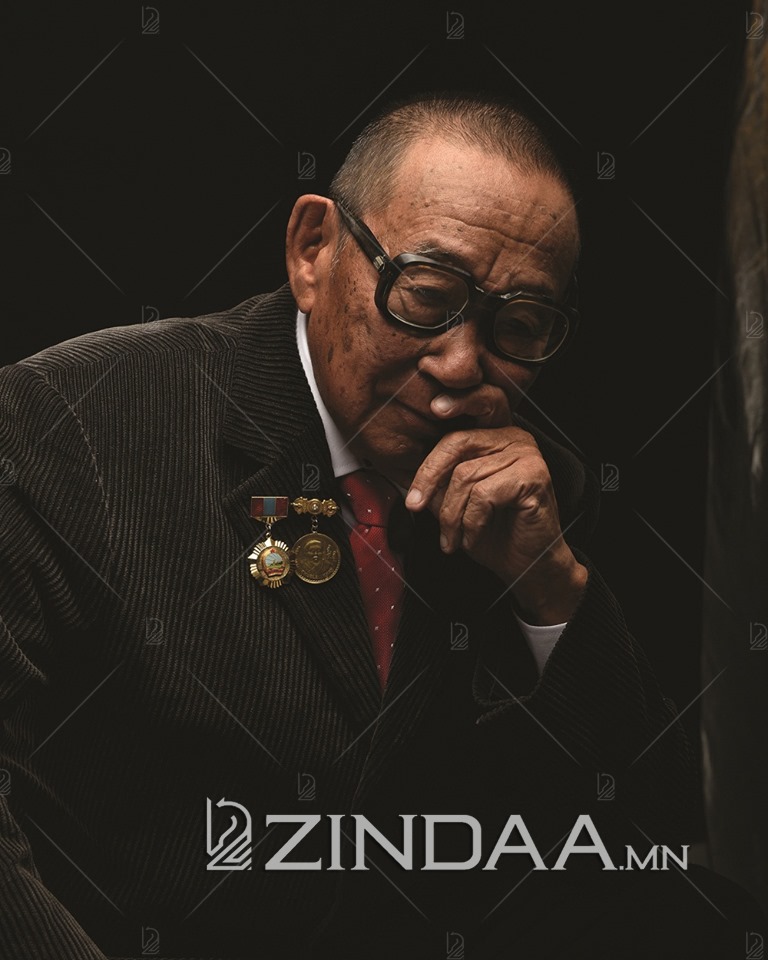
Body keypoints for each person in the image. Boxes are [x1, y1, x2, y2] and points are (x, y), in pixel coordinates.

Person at [0, 94, 762, 959]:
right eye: (427, 296)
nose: (462, 365)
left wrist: (552, 589)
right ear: (313, 250)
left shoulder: (537, 492)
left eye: (518, 325)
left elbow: (645, 841)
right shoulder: (72, 422)